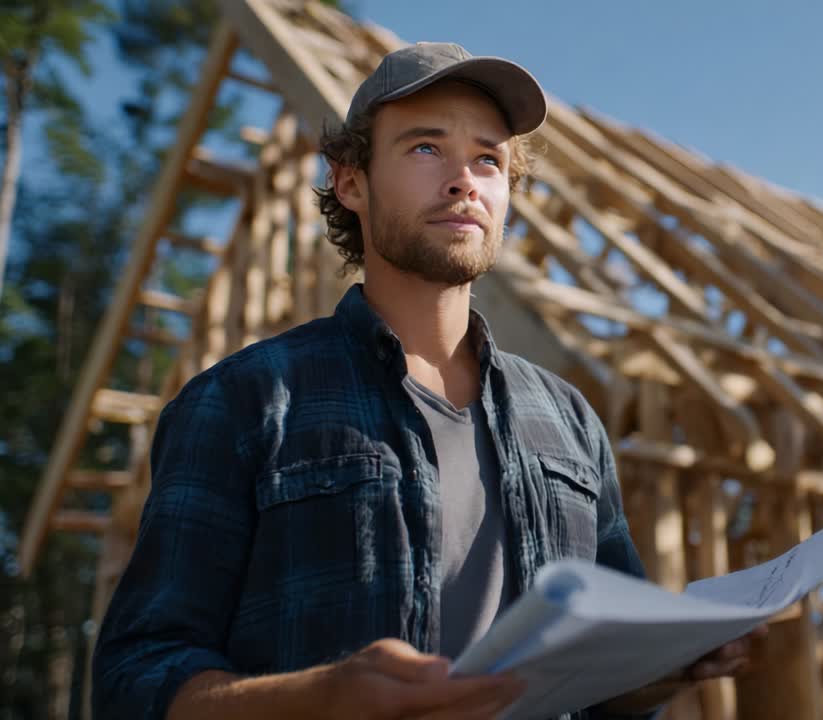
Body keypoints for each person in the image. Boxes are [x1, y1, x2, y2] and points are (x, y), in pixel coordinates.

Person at [92, 41, 760, 720]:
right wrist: (318, 700)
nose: (464, 179)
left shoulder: (569, 421)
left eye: (488, 159)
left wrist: (665, 666)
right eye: (424, 148)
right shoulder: (244, 402)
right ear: (350, 180)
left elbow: (602, 691)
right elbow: (135, 675)